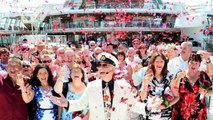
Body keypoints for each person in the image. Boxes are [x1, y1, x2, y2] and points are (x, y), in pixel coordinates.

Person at [51, 52, 163, 120]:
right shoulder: (91, 86)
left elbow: (133, 105)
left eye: (105, 65)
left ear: (113, 68)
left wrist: (148, 107)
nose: (101, 68)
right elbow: (81, 104)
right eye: (99, 65)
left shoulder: (124, 86)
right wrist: (67, 103)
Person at [171, 53, 212, 120]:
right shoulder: (181, 74)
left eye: (196, 63)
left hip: (198, 112)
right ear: (188, 63)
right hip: (181, 112)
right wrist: (178, 78)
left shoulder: (203, 76)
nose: (194, 65)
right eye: (192, 63)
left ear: (199, 64)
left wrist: (206, 92)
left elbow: (211, 91)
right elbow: (173, 90)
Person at [140, 52, 176, 119]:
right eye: (157, 61)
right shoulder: (147, 76)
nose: (159, 64)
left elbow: (177, 97)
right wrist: (145, 83)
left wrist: (165, 105)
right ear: (153, 63)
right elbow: (142, 98)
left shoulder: (170, 77)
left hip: (165, 115)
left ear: (164, 63)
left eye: (161, 61)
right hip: (150, 114)